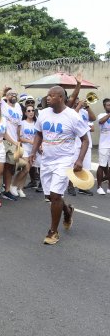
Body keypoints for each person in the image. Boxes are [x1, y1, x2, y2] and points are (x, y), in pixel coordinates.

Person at [30, 86, 89, 245]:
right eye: (47, 95)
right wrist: (33, 152)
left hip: (65, 160)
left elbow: (85, 140)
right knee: (50, 196)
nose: (47, 98)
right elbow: (39, 134)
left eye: (51, 95)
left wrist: (79, 160)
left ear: (61, 98)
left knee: (56, 195)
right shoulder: (43, 114)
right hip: (47, 160)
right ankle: (67, 210)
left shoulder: (73, 116)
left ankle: (53, 232)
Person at [0, 65, 22, 201]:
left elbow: (19, 126)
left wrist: (19, 142)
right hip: (2, 141)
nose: (13, 96)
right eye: (11, 94)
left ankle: (7, 189)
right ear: (6, 96)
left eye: (15, 94)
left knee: (10, 168)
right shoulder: (3, 105)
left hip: (14, 142)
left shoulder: (19, 107)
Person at [10, 104, 37, 198]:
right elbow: (19, 138)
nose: (31, 112)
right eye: (28, 111)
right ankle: (13, 185)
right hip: (24, 147)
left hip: (33, 149)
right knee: (26, 168)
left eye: (32, 110)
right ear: (25, 113)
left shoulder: (36, 123)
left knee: (26, 171)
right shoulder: (22, 123)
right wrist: (30, 141)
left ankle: (20, 188)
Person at [96, 98, 110, 195]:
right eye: (108, 105)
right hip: (104, 145)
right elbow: (101, 122)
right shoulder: (102, 115)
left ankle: (109, 187)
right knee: (102, 165)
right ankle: (99, 187)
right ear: (104, 106)